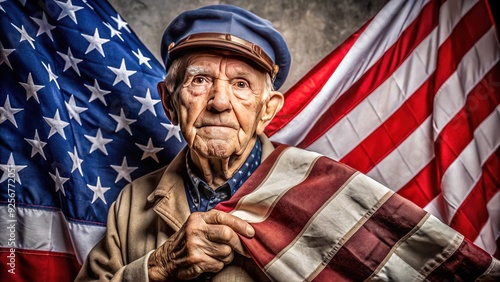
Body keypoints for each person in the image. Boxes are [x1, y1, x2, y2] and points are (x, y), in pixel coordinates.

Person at [76, 4, 500, 281]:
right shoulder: (134, 203)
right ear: (170, 101)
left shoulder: (320, 189)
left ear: (267, 109)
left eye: (241, 85)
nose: (220, 102)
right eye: (200, 80)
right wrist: (159, 266)